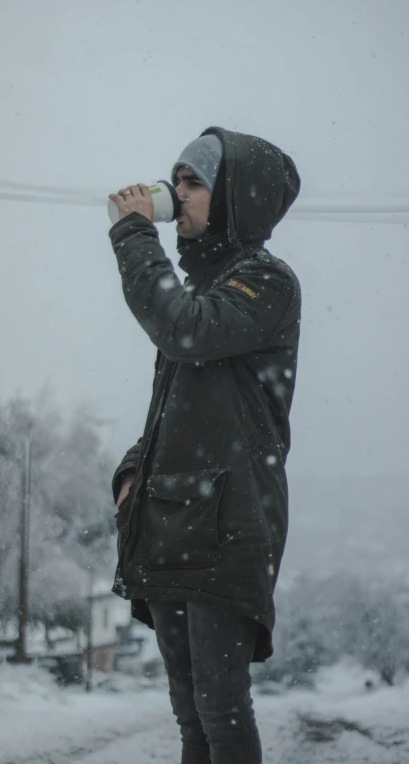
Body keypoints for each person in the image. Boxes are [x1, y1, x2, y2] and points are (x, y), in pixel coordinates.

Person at [108, 126, 301, 764]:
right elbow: (175, 411)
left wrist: (136, 234)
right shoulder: (201, 290)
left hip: (231, 523)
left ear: (235, 197)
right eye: (179, 181)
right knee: (191, 718)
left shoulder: (266, 283)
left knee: (221, 709)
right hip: (172, 518)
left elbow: (185, 333)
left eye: (194, 183)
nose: (178, 194)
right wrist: (132, 473)